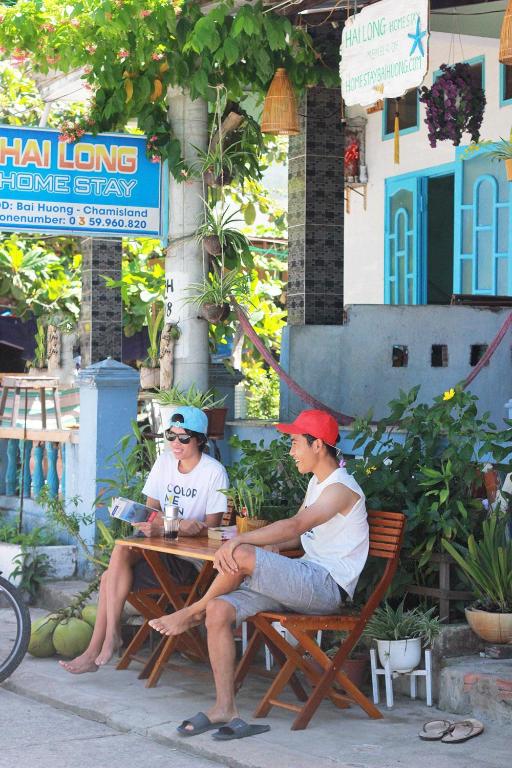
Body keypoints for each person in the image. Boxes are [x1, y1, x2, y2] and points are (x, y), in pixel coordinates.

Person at [149, 409, 369, 736]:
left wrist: (242, 542)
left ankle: (191, 611)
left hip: (325, 586)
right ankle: (225, 705)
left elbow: (296, 524)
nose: (291, 451)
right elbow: (296, 536)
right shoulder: (318, 483)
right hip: (301, 576)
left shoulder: (341, 488)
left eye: (296, 443)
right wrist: (270, 549)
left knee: (240, 555)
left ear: (318, 445)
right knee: (219, 610)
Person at [60, 405, 229, 675]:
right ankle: (106, 640)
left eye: (183, 438)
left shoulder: (213, 472)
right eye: (170, 436)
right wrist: (160, 525)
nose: (176, 443)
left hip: (187, 562)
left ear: (199, 439)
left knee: (107, 579)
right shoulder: (164, 462)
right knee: (122, 549)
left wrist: (164, 526)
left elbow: (210, 528)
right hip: (158, 549)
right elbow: (151, 513)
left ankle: (99, 647)